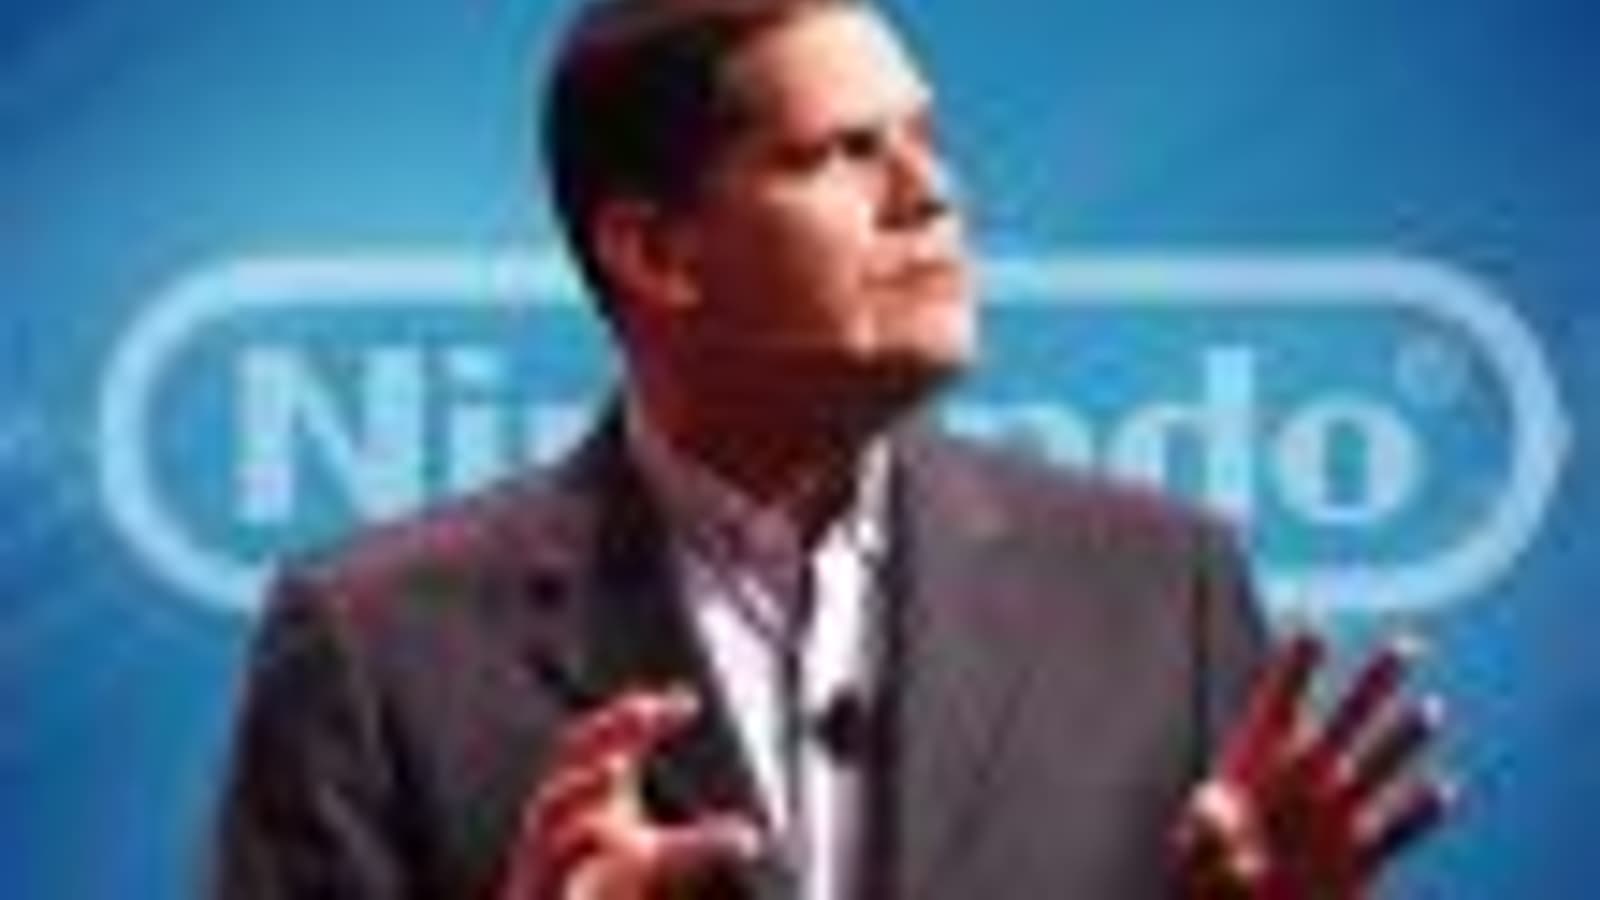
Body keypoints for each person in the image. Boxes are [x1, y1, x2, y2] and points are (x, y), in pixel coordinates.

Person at [211, 0, 1449, 897]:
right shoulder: (374, 645)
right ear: (657, 253)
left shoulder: (1161, 590)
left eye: (925, 137)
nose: (931, 195)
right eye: (846, 152)